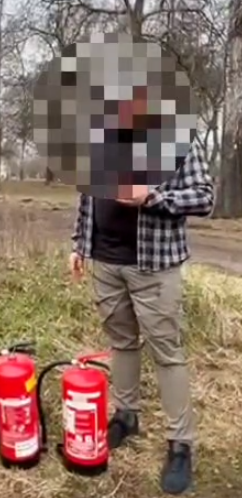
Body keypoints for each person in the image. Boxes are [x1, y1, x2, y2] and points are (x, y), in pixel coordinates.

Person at [69, 111, 214, 493]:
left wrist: (154, 197)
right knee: (121, 342)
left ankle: (180, 444)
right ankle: (126, 415)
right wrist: (79, 244)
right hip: (106, 262)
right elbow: (87, 196)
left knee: (166, 352)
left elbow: (204, 197)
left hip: (154, 265)